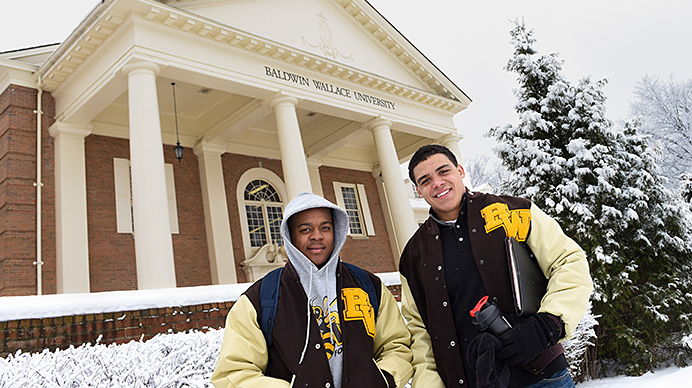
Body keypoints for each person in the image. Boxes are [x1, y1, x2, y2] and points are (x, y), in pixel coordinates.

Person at [399, 144, 593, 388]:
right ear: (418, 190)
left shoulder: (513, 211)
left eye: (443, 171)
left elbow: (569, 261)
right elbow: (419, 331)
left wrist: (548, 324)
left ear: (460, 171)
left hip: (541, 377)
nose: (437, 183)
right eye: (426, 180)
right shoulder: (413, 255)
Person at [211, 192, 413, 388]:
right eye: (305, 230)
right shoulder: (260, 299)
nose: (317, 236)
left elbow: (397, 346)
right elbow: (235, 373)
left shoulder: (368, 286)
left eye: (325, 227)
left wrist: (384, 380)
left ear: (336, 231)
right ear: (290, 236)